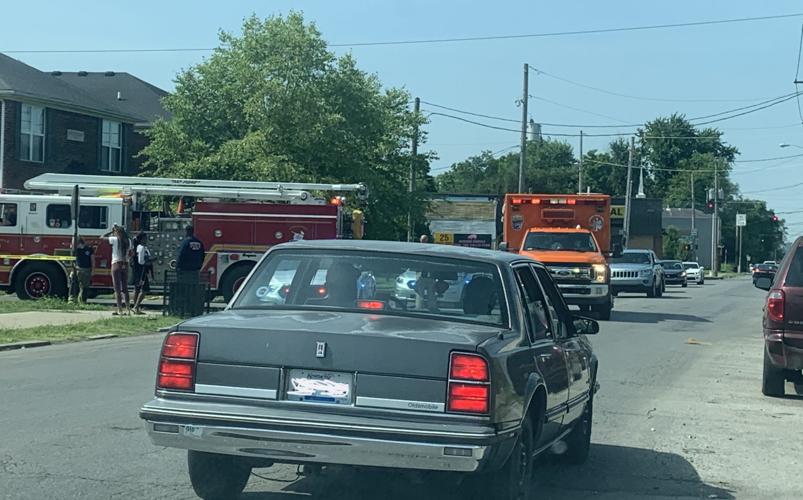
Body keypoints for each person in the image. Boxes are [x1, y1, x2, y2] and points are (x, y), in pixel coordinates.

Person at [103, 224, 131, 315]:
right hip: (125, 264)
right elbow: (131, 252)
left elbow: (102, 237)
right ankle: (128, 308)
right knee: (125, 288)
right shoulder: (129, 241)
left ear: (117, 232)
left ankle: (120, 309)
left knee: (117, 289)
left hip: (116, 264)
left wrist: (111, 231)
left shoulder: (115, 240)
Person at [132, 232, 152, 315]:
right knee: (144, 289)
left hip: (138, 271)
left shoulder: (141, 248)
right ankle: (136, 306)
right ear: (141, 239)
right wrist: (149, 262)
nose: (146, 240)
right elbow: (141, 261)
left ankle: (135, 307)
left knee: (137, 288)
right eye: (145, 238)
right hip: (142, 271)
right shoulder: (141, 248)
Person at [71, 238, 94, 304]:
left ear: (78, 242)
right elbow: (73, 261)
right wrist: (73, 270)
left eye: (73, 242)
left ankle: (83, 301)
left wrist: (93, 270)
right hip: (77, 269)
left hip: (87, 270)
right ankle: (72, 300)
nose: (72, 244)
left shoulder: (89, 249)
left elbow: (92, 260)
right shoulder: (75, 250)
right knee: (74, 285)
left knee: (85, 287)